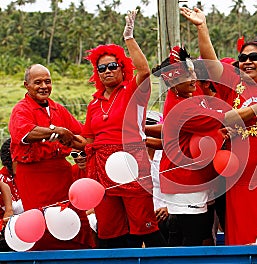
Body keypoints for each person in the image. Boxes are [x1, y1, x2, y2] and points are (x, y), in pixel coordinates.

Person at [153, 43, 257, 246]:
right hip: (187, 185)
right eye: (187, 76)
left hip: (203, 182)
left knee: (203, 235)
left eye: (193, 73)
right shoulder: (181, 107)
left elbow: (207, 127)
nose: (194, 79)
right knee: (190, 240)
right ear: (171, 82)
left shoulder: (191, 97)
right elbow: (225, 118)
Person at [180, 6, 257, 245]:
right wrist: (202, 27)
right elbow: (211, 63)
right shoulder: (232, 84)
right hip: (241, 183)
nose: (247, 62)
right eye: (243, 58)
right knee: (245, 244)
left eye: (254, 57)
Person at [82, 10, 165, 249]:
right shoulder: (94, 103)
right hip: (101, 168)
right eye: (102, 68)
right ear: (96, 74)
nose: (107, 71)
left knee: (144, 227)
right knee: (110, 231)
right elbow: (86, 137)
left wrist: (129, 38)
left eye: (112, 66)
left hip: (132, 163)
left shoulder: (132, 91)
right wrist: (60, 135)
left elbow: (145, 72)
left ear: (122, 67)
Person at [8, 64, 94, 250]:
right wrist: (57, 131)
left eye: (47, 81)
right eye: (37, 82)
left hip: (60, 174)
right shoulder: (21, 109)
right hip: (33, 175)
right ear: (26, 85)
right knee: (41, 220)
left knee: (72, 218)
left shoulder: (58, 109)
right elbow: (24, 134)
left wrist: (79, 145)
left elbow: (81, 135)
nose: (43, 86)